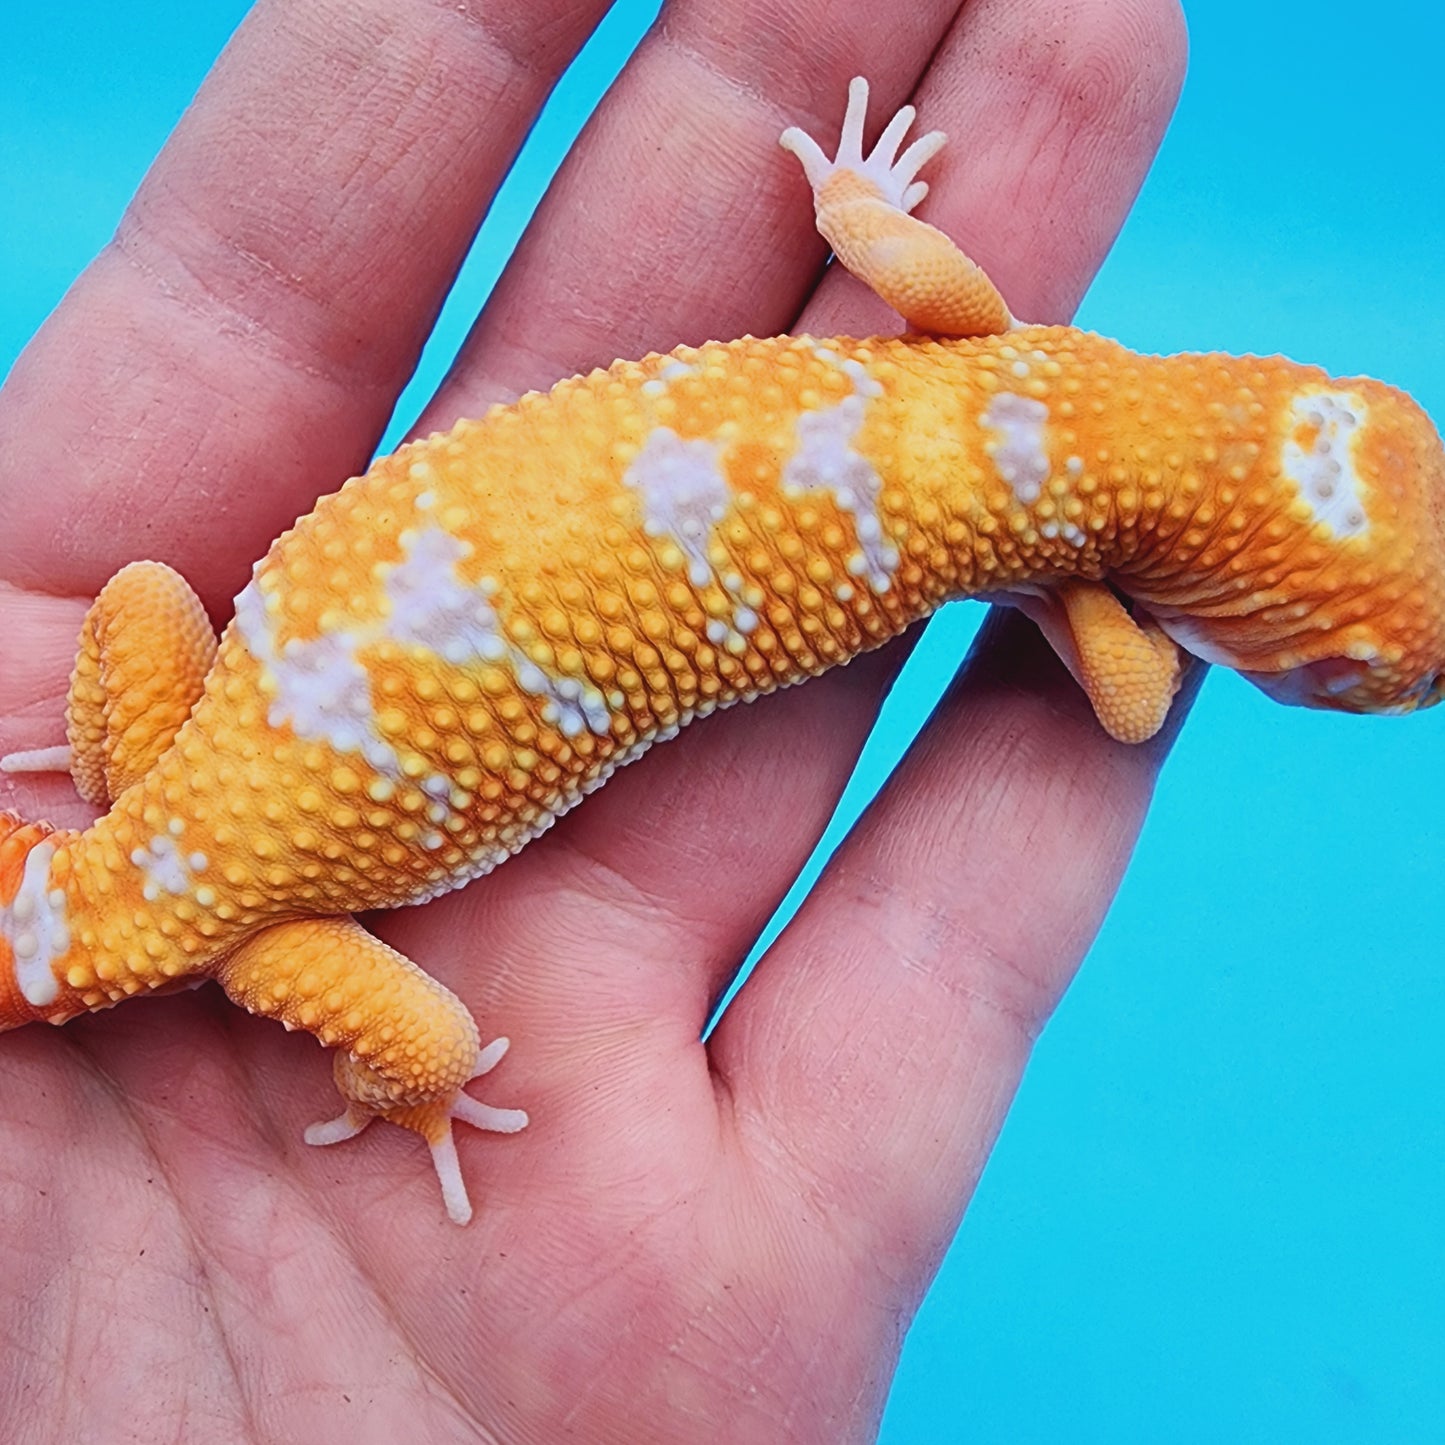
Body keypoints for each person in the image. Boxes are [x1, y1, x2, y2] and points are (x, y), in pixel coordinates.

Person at [0, 0, 1188, 1437]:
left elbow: (142, 597)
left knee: (145, 599)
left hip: (185, 792)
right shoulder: (259, 952)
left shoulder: (1006, 365)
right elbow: (1131, 696)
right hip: (238, 874)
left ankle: (127, 795)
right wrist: (410, 1094)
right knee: (431, 1045)